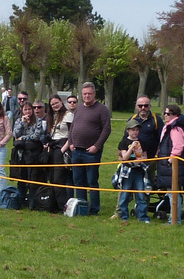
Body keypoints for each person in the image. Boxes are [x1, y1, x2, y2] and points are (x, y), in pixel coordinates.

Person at [64, 83, 110, 216]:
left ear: (94, 94)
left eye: (89, 93)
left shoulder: (102, 109)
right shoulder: (79, 109)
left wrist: (97, 146)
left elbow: (107, 129)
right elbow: (72, 127)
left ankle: (94, 209)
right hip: (76, 151)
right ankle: (82, 207)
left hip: (91, 152)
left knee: (92, 182)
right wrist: (71, 143)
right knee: (78, 181)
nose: (87, 96)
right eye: (84, 94)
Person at [155, 103, 184, 221]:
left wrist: (172, 158)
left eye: (168, 114)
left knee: (173, 193)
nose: (165, 115)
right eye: (164, 113)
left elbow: (178, 145)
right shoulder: (169, 126)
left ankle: (174, 219)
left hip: (174, 165)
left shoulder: (175, 128)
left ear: (175, 115)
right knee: (172, 193)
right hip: (168, 165)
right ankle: (174, 217)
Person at [10, 99, 48, 209]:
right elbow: (15, 134)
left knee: (33, 178)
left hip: (34, 153)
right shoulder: (18, 121)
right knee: (21, 178)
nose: (27, 112)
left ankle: (32, 203)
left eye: (29, 109)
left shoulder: (38, 121)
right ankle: (20, 202)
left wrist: (23, 138)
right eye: (25, 109)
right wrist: (22, 123)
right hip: (21, 154)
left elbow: (36, 136)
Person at [114, 123, 151, 223]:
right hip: (127, 171)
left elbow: (145, 157)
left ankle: (142, 216)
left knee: (140, 193)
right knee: (125, 194)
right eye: (133, 130)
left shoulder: (142, 142)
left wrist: (141, 159)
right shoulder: (124, 142)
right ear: (128, 131)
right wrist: (131, 148)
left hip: (139, 170)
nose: (135, 132)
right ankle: (124, 216)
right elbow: (124, 158)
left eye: (137, 130)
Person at [46, 94, 73, 201]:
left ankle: (62, 204)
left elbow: (72, 135)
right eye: (52, 104)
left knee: (59, 177)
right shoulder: (53, 116)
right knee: (51, 177)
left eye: (56, 103)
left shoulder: (68, 115)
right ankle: (54, 203)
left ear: (61, 102)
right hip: (52, 146)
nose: (55, 105)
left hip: (62, 147)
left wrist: (63, 149)